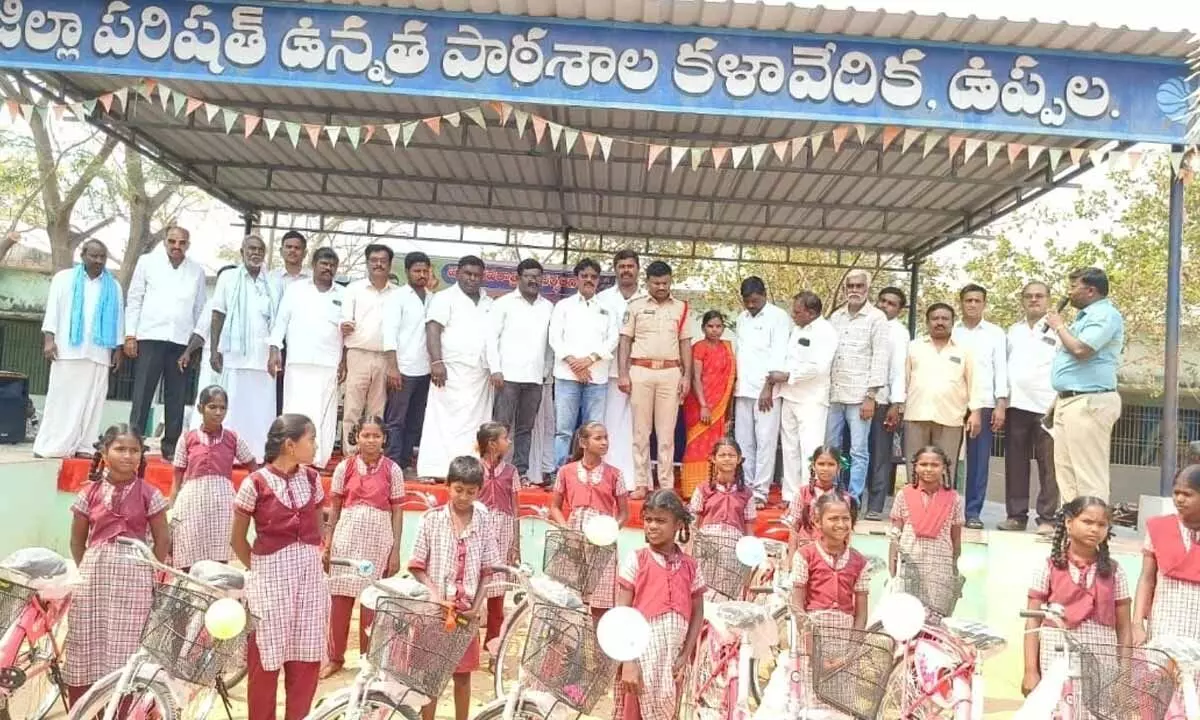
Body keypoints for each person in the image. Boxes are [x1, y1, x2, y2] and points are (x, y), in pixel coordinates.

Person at [232, 414, 329, 720]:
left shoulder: (312, 479)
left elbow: (318, 528)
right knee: (265, 659)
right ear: (290, 445)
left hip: (309, 582)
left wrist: (314, 560)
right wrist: (261, 571)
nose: (315, 446)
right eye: (311, 439)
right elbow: (237, 540)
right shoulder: (255, 483)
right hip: (270, 584)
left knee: (306, 656)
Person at [63, 424, 169, 705]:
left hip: (134, 580)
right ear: (104, 452)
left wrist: (149, 573)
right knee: (85, 642)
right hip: (93, 580)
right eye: (120, 449)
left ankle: (120, 710)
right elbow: (77, 541)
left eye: (134, 450)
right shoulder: (89, 493)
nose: (128, 455)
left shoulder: (150, 494)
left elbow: (163, 541)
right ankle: (85, 710)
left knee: (125, 648)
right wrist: (88, 571)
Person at [408, 455, 497, 720]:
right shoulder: (431, 519)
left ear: (479, 491)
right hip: (435, 611)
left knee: (462, 677)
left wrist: (476, 607)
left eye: (471, 492)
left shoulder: (484, 520)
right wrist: (435, 596)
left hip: (466, 613)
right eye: (458, 490)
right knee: (431, 676)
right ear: (447, 485)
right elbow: (416, 565)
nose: (463, 497)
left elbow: (488, 571)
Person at [323, 416, 405, 677]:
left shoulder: (393, 470)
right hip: (346, 538)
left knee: (372, 600)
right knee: (340, 599)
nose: (371, 441)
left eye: (376, 436)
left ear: (384, 439)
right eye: (366, 435)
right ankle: (334, 657)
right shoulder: (344, 467)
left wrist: (395, 550)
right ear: (356, 437)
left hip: (378, 540)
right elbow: (335, 508)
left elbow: (397, 512)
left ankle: (368, 661)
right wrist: (328, 543)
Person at [613, 489, 705, 720]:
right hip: (640, 661)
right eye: (648, 520)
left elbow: (698, 613)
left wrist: (685, 655)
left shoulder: (691, 566)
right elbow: (621, 615)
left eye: (661, 521)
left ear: (678, 525)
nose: (652, 526)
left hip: (673, 661)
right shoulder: (637, 560)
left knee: (670, 711)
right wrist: (628, 661)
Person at [1023, 497, 1129, 697]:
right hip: (1056, 663)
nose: (1094, 529)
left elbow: (1124, 628)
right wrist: (1030, 671)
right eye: (1087, 522)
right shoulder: (1047, 567)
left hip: (1102, 666)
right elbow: (1032, 622)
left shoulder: (1115, 571)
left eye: (1101, 525)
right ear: (1069, 523)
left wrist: (1124, 676)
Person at [33, 240, 123, 458]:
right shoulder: (63, 279)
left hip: (99, 353)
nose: (99, 260)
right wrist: (49, 340)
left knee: (92, 402)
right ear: (83, 255)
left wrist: (118, 349)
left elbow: (119, 319)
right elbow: (53, 311)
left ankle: (85, 446)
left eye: (102, 257)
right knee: (61, 400)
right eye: (94, 256)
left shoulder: (114, 286)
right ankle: (51, 446)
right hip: (67, 351)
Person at [125, 226, 207, 459]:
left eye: (182, 242)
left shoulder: (197, 271)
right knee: (143, 393)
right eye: (172, 241)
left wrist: (195, 346)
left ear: (188, 245)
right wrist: (130, 335)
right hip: (150, 336)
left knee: (177, 396)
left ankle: (171, 447)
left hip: (181, 342)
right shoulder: (147, 263)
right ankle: (134, 443)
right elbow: (134, 299)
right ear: (164, 242)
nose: (176, 246)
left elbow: (200, 308)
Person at [1046, 267, 1125, 502]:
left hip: (1089, 401)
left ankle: (1094, 523)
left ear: (1091, 290)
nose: (1069, 293)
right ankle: (1071, 522)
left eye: (1074, 287)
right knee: (1067, 474)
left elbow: (1081, 350)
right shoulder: (1085, 317)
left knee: (1088, 474)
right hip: (1070, 400)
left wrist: (1059, 326)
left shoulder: (1105, 315)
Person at [618, 261, 693, 497]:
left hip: (670, 373)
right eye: (656, 283)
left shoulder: (681, 308)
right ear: (647, 282)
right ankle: (641, 483)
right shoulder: (635, 306)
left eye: (665, 283)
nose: (661, 287)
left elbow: (685, 344)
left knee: (666, 434)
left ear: (671, 282)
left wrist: (687, 376)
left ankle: (666, 485)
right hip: (641, 371)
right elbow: (625, 341)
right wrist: (623, 374)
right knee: (640, 433)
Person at [418, 256, 495, 479]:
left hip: (479, 373)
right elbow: (433, 329)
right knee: (441, 421)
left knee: (476, 425)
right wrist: (436, 362)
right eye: (468, 274)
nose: (472, 279)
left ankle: (468, 471)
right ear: (457, 273)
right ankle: (436, 469)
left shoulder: (488, 303)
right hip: (449, 370)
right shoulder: (444, 298)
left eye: (477, 275)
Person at [269, 247, 345, 469]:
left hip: (329, 363)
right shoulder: (296, 289)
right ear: (313, 265)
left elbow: (349, 332)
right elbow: (281, 323)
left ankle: (318, 460)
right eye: (323, 263)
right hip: (298, 362)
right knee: (295, 411)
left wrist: (344, 361)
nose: (328, 268)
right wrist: (274, 350)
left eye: (332, 265)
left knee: (325, 415)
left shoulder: (344, 294)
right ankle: (291, 457)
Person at [170, 385, 256, 570]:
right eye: (212, 407)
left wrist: (252, 495)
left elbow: (252, 465)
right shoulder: (187, 438)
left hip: (222, 502)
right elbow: (177, 477)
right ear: (200, 408)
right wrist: (172, 506)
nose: (218, 412)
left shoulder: (232, 438)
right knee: (188, 547)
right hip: (192, 501)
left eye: (222, 408)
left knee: (220, 554)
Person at [549, 422, 629, 619]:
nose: (604, 442)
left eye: (606, 438)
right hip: (573, 536)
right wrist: (566, 530)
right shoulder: (565, 471)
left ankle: (597, 637)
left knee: (601, 599)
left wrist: (610, 530)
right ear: (583, 442)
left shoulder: (615, 474)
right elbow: (555, 507)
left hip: (603, 539)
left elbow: (623, 513)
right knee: (570, 596)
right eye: (598, 438)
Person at [999, 281, 1060, 534]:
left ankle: (1048, 518)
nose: (1034, 300)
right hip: (1017, 404)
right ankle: (1016, 516)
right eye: (1029, 296)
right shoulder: (1013, 331)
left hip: (1049, 406)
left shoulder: (1060, 329)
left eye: (1039, 296)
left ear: (1048, 299)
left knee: (1050, 464)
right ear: (1022, 300)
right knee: (1016, 463)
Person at [211, 233, 278, 463]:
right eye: (251, 249)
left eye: (260, 250)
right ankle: (230, 453)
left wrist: (275, 353)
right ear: (242, 252)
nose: (255, 253)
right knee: (233, 407)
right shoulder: (228, 278)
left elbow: (279, 322)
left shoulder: (273, 282)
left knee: (261, 411)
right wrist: (214, 350)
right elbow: (218, 313)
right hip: (235, 355)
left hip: (263, 357)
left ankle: (258, 455)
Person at [898, 303, 983, 482]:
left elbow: (974, 382)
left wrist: (975, 412)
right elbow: (902, 379)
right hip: (916, 415)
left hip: (950, 418)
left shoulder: (964, 350)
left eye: (945, 319)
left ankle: (944, 501)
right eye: (935, 318)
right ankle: (916, 500)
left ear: (952, 322)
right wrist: (898, 406)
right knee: (915, 468)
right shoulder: (914, 347)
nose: (940, 322)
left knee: (946, 469)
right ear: (927, 322)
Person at [827, 269, 890, 505]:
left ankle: (853, 499)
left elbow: (880, 357)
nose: (854, 290)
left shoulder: (877, 318)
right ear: (845, 289)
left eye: (859, 286)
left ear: (867, 289)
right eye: (850, 286)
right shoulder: (836, 317)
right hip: (834, 394)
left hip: (860, 396)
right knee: (831, 448)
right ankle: (831, 495)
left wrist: (871, 396)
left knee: (858, 451)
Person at [549, 258, 619, 470]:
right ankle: (560, 473)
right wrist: (574, 364)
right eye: (584, 276)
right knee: (563, 430)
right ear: (576, 278)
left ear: (598, 280)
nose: (589, 280)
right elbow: (555, 338)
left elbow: (613, 339)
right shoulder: (563, 306)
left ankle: (591, 471)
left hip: (596, 377)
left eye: (593, 277)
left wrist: (589, 360)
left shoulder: (607, 309)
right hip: (566, 376)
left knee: (594, 431)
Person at [488, 259, 553, 480]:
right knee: (501, 427)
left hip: (535, 378)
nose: (533, 280)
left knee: (526, 428)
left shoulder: (548, 307)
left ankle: (520, 473)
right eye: (528, 276)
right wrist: (495, 369)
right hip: (507, 377)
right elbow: (491, 339)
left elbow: (550, 344)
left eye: (537, 276)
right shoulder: (503, 304)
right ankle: (493, 469)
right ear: (518, 278)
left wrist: (545, 371)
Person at [951, 284, 1008, 530]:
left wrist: (1001, 404)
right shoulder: (952, 332)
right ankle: (947, 511)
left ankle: (973, 512)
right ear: (961, 303)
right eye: (968, 300)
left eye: (977, 300)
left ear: (984, 303)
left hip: (984, 403)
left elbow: (1001, 369)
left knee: (978, 461)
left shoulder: (995, 334)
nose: (972, 304)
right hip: (953, 402)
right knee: (947, 458)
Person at [774, 291, 838, 508]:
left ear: (811, 313)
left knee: (809, 450)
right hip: (789, 395)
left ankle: (809, 496)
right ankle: (790, 496)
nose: (793, 315)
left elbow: (818, 367)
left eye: (797, 312)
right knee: (789, 449)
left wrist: (788, 376)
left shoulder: (825, 332)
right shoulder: (796, 329)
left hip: (811, 399)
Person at [732, 277, 790, 505]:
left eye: (755, 301)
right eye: (747, 301)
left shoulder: (778, 317)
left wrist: (768, 387)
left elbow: (779, 354)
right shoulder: (742, 318)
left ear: (764, 295)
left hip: (767, 391)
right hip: (743, 389)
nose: (751, 305)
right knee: (743, 442)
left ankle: (760, 492)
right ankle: (746, 486)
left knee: (765, 441)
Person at [888, 446, 964, 620]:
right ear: (915, 467)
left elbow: (956, 538)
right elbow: (895, 533)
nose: (928, 469)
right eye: (923, 464)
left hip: (940, 567)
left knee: (936, 619)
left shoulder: (954, 498)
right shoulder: (904, 494)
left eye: (934, 465)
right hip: (909, 564)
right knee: (906, 618)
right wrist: (892, 562)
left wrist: (954, 567)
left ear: (944, 468)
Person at [1133, 464, 1200, 646]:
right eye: (1176, 493)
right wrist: (1137, 623)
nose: (1179, 499)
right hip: (1164, 627)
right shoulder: (1159, 528)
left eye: (1187, 494)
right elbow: (1146, 578)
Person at [598, 249, 647, 490]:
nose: (626, 270)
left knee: (638, 427)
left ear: (638, 269)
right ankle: (610, 478)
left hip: (642, 371)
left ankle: (636, 479)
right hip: (609, 371)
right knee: (611, 425)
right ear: (615, 269)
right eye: (622, 266)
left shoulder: (648, 298)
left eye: (630, 266)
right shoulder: (603, 299)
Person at [341, 244, 397, 452]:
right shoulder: (354, 289)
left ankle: (373, 455)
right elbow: (345, 320)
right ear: (367, 263)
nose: (378, 264)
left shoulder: (398, 294)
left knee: (377, 410)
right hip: (358, 354)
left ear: (390, 264)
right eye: (374, 260)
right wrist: (344, 325)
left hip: (385, 357)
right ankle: (350, 454)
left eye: (383, 261)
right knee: (353, 408)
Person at [383, 251, 434, 474]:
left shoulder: (433, 298)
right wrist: (393, 367)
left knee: (415, 420)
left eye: (425, 271)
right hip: (402, 368)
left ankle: (404, 462)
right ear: (407, 272)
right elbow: (389, 333)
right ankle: (392, 463)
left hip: (425, 370)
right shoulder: (398, 297)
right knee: (396, 420)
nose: (421, 275)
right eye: (417, 271)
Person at [792, 493, 869, 630]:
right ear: (817, 522)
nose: (841, 524)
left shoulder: (860, 562)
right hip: (812, 631)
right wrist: (805, 633)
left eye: (846, 519)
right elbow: (797, 603)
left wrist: (855, 639)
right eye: (833, 519)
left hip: (846, 634)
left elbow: (861, 613)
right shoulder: (805, 556)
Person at [681, 311, 736, 497]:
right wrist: (704, 405)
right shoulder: (699, 347)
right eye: (710, 326)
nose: (714, 330)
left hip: (720, 405)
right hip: (699, 403)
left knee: (715, 444)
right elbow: (695, 378)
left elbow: (730, 380)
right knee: (696, 444)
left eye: (718, 326)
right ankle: (692, 488)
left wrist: (727, 411)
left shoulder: (727, 348)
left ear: (723, 328)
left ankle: (715, 485)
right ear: (703, 328)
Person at [867, 286, 910, 521]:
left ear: (900, 310)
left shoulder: (899, 333)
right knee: (856, 454)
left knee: (880, 455)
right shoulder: (869, 322)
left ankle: (875, 505)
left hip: (883, 402)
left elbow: (898, 370)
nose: (884, 306)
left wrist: (896, 404)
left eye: (891, 303)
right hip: (857, 399)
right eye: (882, 300)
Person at [476, 422, 519, 648]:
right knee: (474, 582)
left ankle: (493, 642)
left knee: (498, 588)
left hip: (503, 530)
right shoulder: (474, 469)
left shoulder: (511, 472)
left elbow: (515, 509)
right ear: (492, 444)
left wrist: (516, 543)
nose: (508, 442)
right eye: (505, 438)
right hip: (479, 528)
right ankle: (469, 639)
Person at [179, 264, 238, 431]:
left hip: (234, 362)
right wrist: (187, 352)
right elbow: (200, 334)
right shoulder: (212, 303)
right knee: (208, 397)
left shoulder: (243, 303)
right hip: (212, 362)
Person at [269, 230, 311, 415]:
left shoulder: (313, 279)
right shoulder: (270, 278)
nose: (292, 251)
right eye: (288, 247)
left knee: (299, 391)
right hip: (276, 343)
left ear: (305, 252)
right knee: (275, 390)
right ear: (281, 251)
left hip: (302, 344)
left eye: (297, 248)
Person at [785, 446, 854, 556]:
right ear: (813, 466)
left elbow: (846, 532)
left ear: (838, 467)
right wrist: (790, 559)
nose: (825, 469)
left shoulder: (844, 498)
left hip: (833, 553)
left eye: (831, 464)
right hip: (805, 551)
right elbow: (794, 529)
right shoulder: (802, 493)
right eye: (821, 464)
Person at [689, 437, 755, 541]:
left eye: (731, 455)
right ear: (713, 459)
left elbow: (749, 529)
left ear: (739, 459)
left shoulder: (747, 494)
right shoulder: (702, 489)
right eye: (722, 455)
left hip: (734, 544)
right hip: (706, 543)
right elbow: (693, 524)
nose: (727, 459)